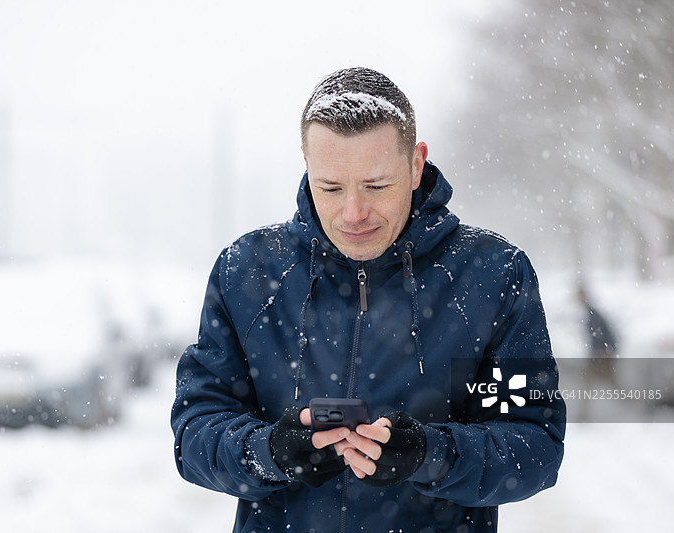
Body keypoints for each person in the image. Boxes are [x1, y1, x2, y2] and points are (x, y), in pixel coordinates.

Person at [171, 67, 566, 533]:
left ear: (416, 164)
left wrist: (431, 455)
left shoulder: (495, 274)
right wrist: (268, 452)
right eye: (331, 188)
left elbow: (535, 443)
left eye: (376, 186)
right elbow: (194, 432)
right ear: (306, 164)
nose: (353, 213)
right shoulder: (247, 270)